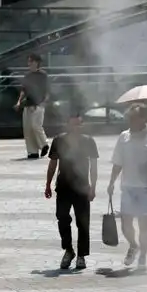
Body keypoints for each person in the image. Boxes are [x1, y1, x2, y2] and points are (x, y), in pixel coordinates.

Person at [105, 102, 147, 271]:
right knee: (125, 224)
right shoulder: (124, 137)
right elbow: (118, 162)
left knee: (143, 224)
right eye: (129, 118)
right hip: (128, 186)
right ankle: (133, 245)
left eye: (134, 118)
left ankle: (143, 256)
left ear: (144, 118)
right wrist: (112, 182)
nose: (131, 121)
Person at [45, 110, 99, 270]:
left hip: (82, 187)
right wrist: (48, 184)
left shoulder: (88, 141)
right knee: (62, 218)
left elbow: (94, 166)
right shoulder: (59, 140)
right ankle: (68, 250)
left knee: (83, 222)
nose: (76, 127)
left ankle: (82, 255)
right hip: (63, 186)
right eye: (73, 124)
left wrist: (93, 187)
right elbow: (53, 163)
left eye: (78, 124)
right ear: (67, 124)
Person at [15, 53, 50, 159]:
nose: (28, 63)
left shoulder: (43, 75)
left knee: (36, 126)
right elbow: (23, 90)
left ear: (36, 62)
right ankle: (32, 151)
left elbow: (47, 91)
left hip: (39, 104)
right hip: (28, 104)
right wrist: (19, 102)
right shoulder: (27, 76)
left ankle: (44, 144)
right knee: (28, 129)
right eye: (28, 61)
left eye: (30, 61)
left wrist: (43, 103)